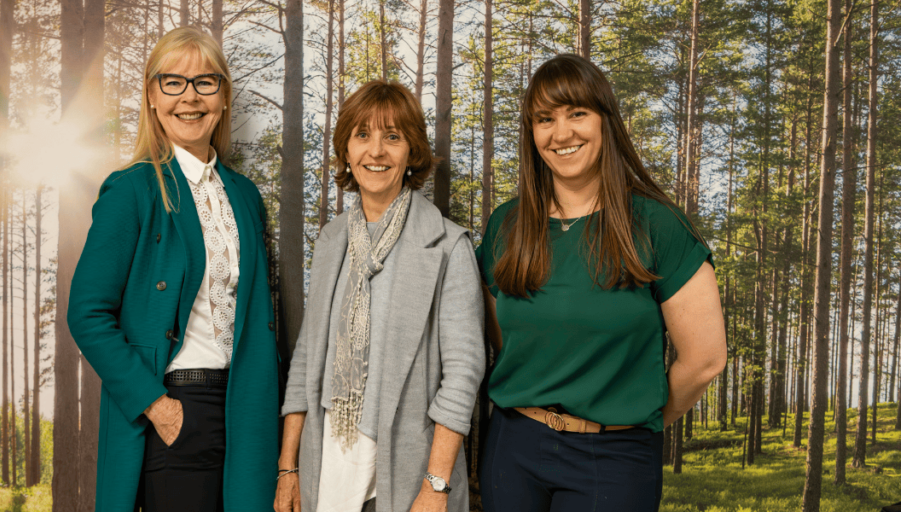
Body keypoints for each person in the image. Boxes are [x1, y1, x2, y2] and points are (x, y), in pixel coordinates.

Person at [477, 54, 726, 512]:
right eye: (545, 119)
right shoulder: (506, 225)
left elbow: (706, 359)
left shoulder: (656, 225)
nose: (561, 133)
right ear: (532, 133)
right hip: (512, 447)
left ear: (605, 121)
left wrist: (632, 416)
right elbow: (501, 338)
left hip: (614, 456)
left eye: (577, 113)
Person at [67, 27, 278, 512]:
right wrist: (158, 407)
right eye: (173, 82)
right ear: (152, 96)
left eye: (205, 82)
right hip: (177, 406)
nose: (190, 97)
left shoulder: (244, 195)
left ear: (223, 97)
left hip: (246, 408)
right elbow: (88, 313)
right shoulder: (132, 190)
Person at [274, 80, 485, 512]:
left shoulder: (447, 245)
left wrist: (436, 486)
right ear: (346, 151)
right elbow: (306, 359)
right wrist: (288, 468)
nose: (376, 152)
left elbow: (464, 374)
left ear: (411, 153)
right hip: (326, 469)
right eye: (362, 135)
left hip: (409, 478)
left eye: (393, 137)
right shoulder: (332, 241)